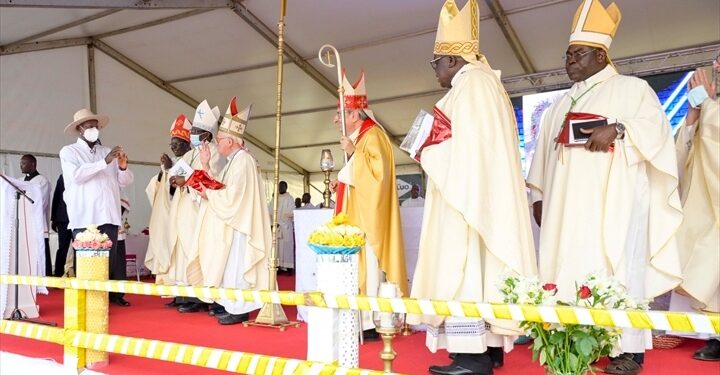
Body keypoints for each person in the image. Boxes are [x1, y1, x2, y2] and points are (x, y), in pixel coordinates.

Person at [526, 1, 683, 373]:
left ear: (600, 55)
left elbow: (657, 132)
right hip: (565, 208)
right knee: (566, 268)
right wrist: (539, 196)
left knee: (618, 268)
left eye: (577, 55)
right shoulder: (559, 104)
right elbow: (541, 158)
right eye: (567, 55)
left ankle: (626, 352)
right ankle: (573, 340)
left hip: (614, 204)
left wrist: (619, 128)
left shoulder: (632, 89)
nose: (569, 62)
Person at [408, 1, 537, 374]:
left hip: (466, 200)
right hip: (478, 195)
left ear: (452, 60)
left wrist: (425, 147)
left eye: (436, 63)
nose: (435, 71)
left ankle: (471, 356)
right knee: (484, 268)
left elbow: (465, 152)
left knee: (465, 269)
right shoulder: (485, 84)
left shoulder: (472, 85)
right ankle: (490, 348)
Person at [329, 69, 408, 338]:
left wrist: (353, 156)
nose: (335, 118)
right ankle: (359, 319)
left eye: (340, 113)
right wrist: (341, 180)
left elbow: (379, 177)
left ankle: (372, 322)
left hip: (369, 221)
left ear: (354, 115)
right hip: (357, 215)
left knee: (370, 269)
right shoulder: (360, 137)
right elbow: (357, 175)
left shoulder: (373, 135)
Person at [194, 99, 269, 325]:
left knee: (238, 265)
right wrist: (206, 167)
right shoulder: (233, 161)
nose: (217, 143)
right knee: (230, 266)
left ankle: (240, 308)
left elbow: (234, 197)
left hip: (241, 224)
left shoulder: (243, 160)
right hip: (234, 221)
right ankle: (232, 304)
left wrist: (209, 195)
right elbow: (222, 187)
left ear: (230, 140)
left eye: (219, 139)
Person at [59, 108, 134, 307]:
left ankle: (106, 299)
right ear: (79, 129)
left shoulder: (105, 150)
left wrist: (123, 167)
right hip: (84, 216)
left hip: (108, 213)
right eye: (89, 126)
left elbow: (124, 181)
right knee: (85, 261)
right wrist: (105, 161)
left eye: (96, 126)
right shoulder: (69, 152)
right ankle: (85, 299)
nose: (93, 129)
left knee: (108, 261)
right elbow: (77, 176)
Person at [672, 57, 720, 361]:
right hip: (707, 201)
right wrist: (692, 117)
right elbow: (684, 154)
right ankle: (717, 334)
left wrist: (710, 108)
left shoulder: (713, 106)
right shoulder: (711, 104)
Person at [166, 100, 224, 313]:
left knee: (203, 253)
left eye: (197, 131)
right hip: (186, 209)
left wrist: (188, 183)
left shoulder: (217, 153)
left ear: (208, 134)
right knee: (188, 254)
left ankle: (204, 298)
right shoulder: (191, 154)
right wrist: (173, 179)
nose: (193, 134)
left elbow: (214, 180)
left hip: (202, 208)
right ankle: (190, 294)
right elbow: (180, 176)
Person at [144, 114, 192, 285]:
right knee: (171, 254)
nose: (173, 148)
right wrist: (162, 174)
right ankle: (175, 293)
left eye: (177, 144)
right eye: (171, 144)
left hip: (186, 217)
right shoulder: (172, 162)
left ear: (187, 144)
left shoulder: (192, 159)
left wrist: (170, 170)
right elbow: (157, 190)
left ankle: (190, 297)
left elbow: (186, 185)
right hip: (170, 217)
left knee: (183, 255)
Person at [20, 154, 52, 276]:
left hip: (37, 221)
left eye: (23, 163)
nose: (21, 166)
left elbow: (40, 201)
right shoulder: (19, 180)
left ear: (33, 164)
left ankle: (45, 275)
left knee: (40, 249)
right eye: (21, 163)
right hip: (23, 221)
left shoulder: (42, 181)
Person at [270, 181, 295, 272]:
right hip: (276, 227)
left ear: (286, 187)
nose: (280, 188)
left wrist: (280, 221)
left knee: (286, 247)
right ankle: (279, 266)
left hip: (286, 227)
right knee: (277, 247)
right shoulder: (275, 198)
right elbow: (270, 211)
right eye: (279, 187)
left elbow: (291, 212)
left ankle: (289, 267)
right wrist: (273, 222)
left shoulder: (290, 198)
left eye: (282, 187)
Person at [51, 174, 72, 277]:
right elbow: (57, 196)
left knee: (80, 247)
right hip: (63, 217)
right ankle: (59, 273)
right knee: (62, 247)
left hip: (78, 217)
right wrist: (54, 218)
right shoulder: (63, 176)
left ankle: (80, 273)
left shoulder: (84, 173)